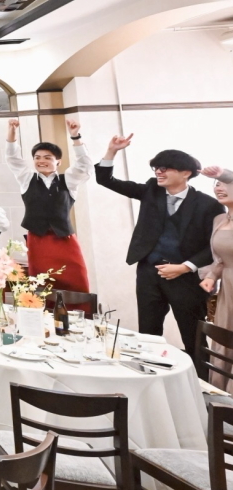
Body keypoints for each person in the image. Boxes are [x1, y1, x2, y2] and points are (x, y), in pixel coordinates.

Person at [96, 137, 223, 367]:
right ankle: (150, 377)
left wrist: (184, 267)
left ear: (186, 173)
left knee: (193, 336)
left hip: (186, 278)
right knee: (148, 334)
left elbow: (213, 245)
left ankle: (200, 384)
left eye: (165, 168)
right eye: (156, 168)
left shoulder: (208, 205)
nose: (158, 172)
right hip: (148, 273)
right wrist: (111, 151)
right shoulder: (150, 191)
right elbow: (106, 179)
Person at [6, 117, 92, 293]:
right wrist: (12, 132)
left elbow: (84, 166)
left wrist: (76, 137)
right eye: (37, 158)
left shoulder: (68, 179)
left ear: (58, 161)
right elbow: (12, 158)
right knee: (41, 285)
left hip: (65, 239)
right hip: (38, 240)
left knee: (76, 280)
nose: (41, 161)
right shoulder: (26, 178)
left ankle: (80, 310)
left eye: (47, 157)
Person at [200, 166, 233, 389]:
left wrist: (223, 173)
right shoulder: (220, 219)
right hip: (227, 289)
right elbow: (221, 259)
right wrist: (211, 276)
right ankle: (222, 396)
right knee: (224, 338)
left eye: (225, 184)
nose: (219, 188)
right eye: (217, 184)